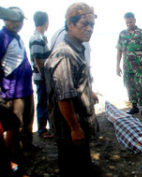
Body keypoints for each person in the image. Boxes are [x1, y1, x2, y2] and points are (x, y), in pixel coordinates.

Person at [44, 3, 98, 176]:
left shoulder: (77, 48)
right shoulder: (65, 54)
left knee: (81, 163)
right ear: (70, 24)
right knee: (72, 167)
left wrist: (89, 92)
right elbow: (64, 97)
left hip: (78, 121)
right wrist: (75, 128)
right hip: (69, 125)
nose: (89, 29)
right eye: (84, 24)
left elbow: (76, 83)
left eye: (92, 25)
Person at [0, 6, 36, 151]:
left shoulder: (17, 37)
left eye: (20, 21)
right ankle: (15, 153)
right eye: (14, 20)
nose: (18, 24)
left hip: (26, 88)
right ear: (5, 20)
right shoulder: (3, 37)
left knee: (28, 120)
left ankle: (27, 146)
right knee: (16, 124)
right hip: (13, 93)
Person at [116, 12, 142, 119]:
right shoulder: (122, 34)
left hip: (139, 68)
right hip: (127, 67)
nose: (129, 24)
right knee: (129, 88)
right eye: (127, 22)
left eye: (130, 21)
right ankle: (134, 107)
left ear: (134, 20)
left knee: (141, 88)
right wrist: (117, 66)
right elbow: (119, 50)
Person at [29, 11, 53, 139]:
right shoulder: (37, 38)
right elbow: (37, 60)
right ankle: (42, 130)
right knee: (42, 103)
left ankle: (46, 128)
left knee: (46, 102)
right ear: (46, 22)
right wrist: (44, 75)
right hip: (41, 77)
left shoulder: (41, 37)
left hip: (44, 76)